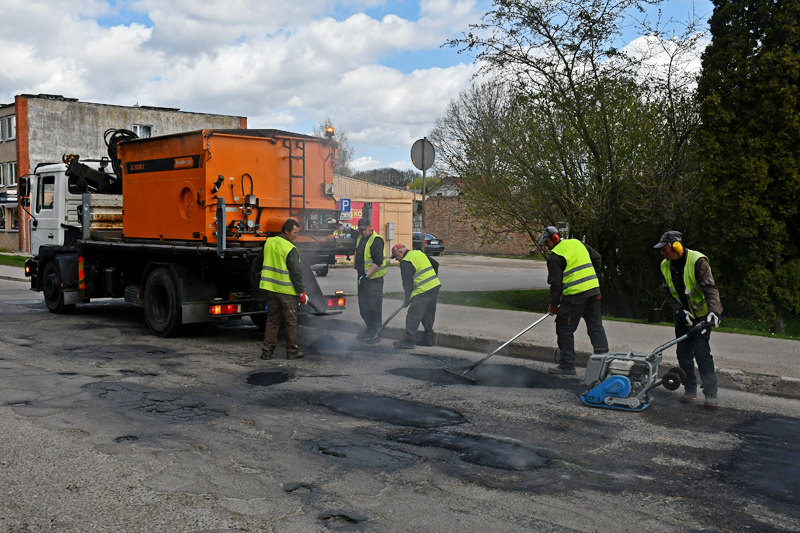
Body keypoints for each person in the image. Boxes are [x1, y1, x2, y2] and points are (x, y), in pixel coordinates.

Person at [654, 230, 723, 408]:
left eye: (665, 249)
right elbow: (667, 293)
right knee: (683, 353)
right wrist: (679, 311)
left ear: (676, 246)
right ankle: (690, 390)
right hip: (684, 316)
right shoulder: (664, 265)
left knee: (702, 352)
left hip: (703, 315)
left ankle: (711, 394)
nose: (662, 253)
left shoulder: (698, 261)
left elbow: (710, 289)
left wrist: (714, 312)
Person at [539, 226, 609, 375]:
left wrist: (553, 305)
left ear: (555, 238)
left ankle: (567, 366)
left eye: (546, 242)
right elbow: (597, 257)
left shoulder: (555, 256)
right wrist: (593, 277)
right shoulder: (578, 243)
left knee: (564, 330)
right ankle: (604, 363)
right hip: (594, 292)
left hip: (574, 297)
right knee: (596, 326)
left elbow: (556, 284)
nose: (546, 245)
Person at [259, 218, 307, 360]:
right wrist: (301, 291)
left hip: (271, 289)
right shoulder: (290, 248)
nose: (296, 235)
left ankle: (267, 352)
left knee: (272, 320)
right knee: (291, 321)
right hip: (286, 291)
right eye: (294, 232)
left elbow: (258, 261)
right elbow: (295, 273)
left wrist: (255, 273)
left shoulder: (269, 242)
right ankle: (292, 351)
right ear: (286, 231)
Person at [390, 244, 440, 349]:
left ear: (400, 252)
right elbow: (435, 264)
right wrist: (433, 278)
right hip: (434, 286)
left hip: (423, 289)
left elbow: (407, 284)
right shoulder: (418, 253)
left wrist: (407, 299)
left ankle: (408, 341)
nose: (396, 260)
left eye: (396, 257)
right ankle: (428, 338)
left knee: (413, 315)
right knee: (428, 313)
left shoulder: (405, 262)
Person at [354, 218, 387, 341]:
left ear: (370, 227)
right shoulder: (360, 237)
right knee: (364, 306)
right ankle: (369, 330)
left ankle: (376, 333)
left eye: (364, 229)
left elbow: (377, 261)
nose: (362, 232)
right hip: (363, 278)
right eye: (360, 230)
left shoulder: (376, 240)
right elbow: (352, 232)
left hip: (374, 280)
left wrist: (367, 275)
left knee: (374, 307)